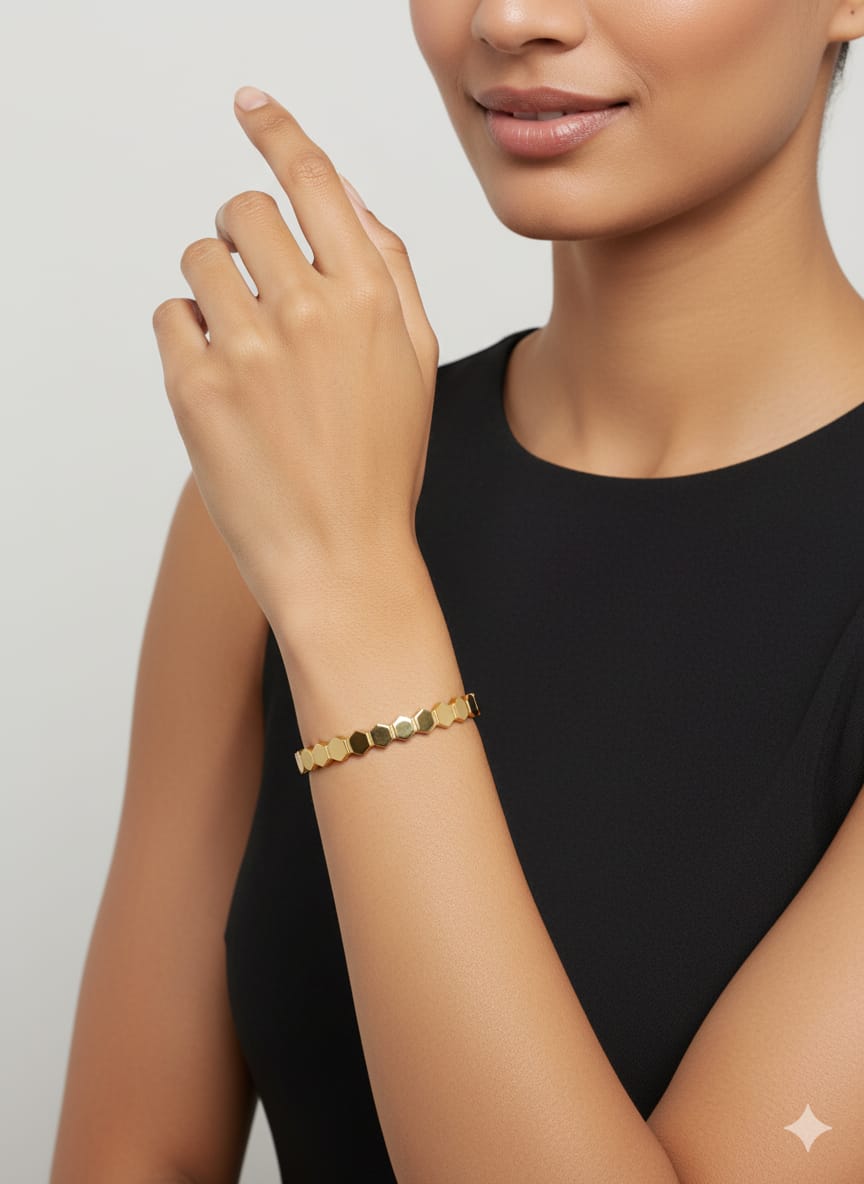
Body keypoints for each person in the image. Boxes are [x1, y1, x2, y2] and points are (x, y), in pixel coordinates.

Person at [50, 3, 864, 1182]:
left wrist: (356, 601)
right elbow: (133, 1153)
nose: (512, 15)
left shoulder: (324, 528)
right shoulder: (298, 487)